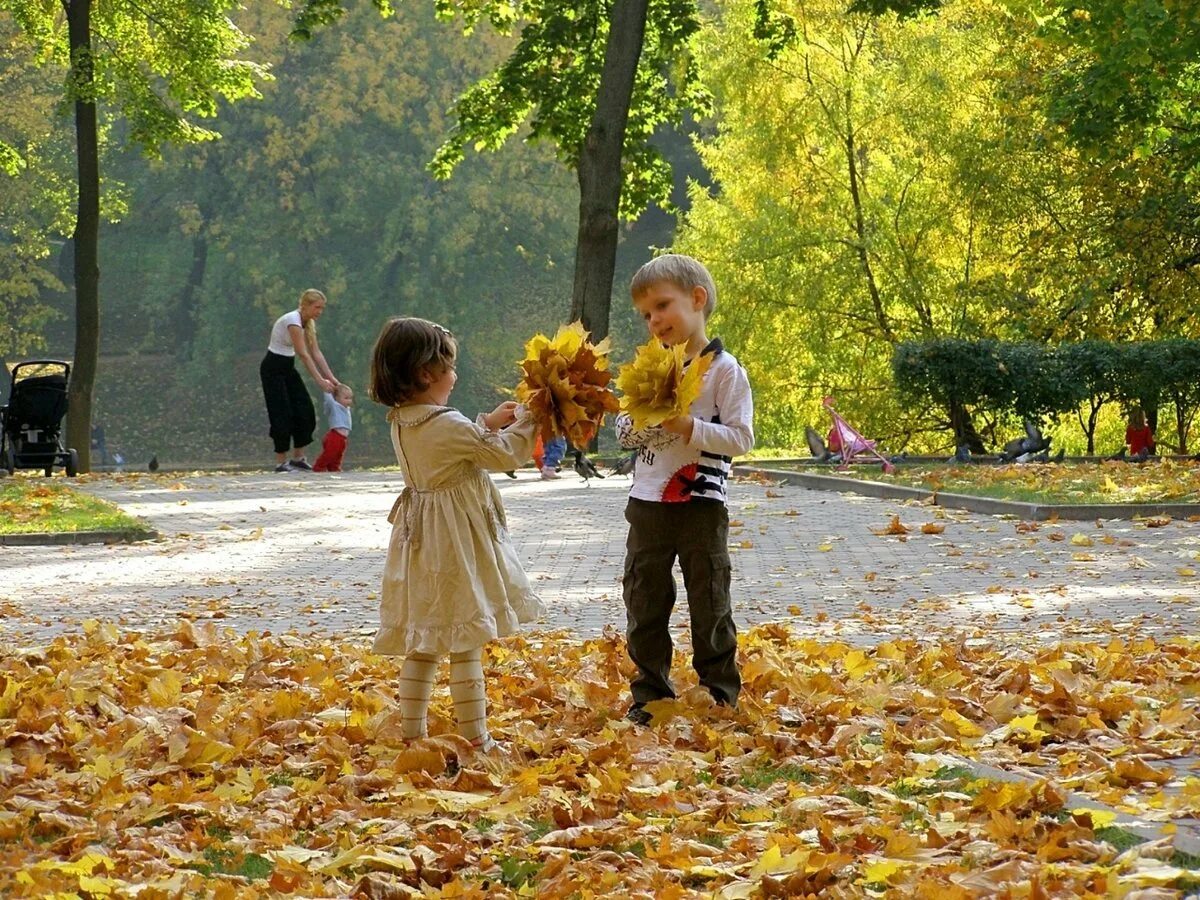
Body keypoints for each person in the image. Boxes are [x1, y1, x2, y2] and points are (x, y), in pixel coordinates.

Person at [368, 316, 545, 753]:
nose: (455, 374)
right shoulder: (448, 425)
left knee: (425, 642)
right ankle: (477, 739)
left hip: (422, 546)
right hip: (457, 548)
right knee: (466, 640)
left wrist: (486, 420)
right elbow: (502, 455)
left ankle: (413, 735)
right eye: (449, 366)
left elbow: (455, 443)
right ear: (427, 374)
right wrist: (529, 421)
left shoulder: (403, 420)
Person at [614, 254, 754, 726]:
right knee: (644, 599)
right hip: (647, 503)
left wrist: (688, 426)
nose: (654, 321)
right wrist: (645, 425)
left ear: (697, 300)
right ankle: (650, 694)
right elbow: (622, 429)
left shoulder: (724, 370)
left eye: (662, 306)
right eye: (646, 314)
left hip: (700, 504)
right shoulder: (649, 365)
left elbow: (741, 438)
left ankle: (719, 691)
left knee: (709, 598)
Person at [260, 288, 339, 473]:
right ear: (305, 306)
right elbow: (303, 355)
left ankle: (298, 458)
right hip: (272, 368)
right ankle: (281, 462)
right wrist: (320, 381)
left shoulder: (308, 323)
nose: (319, 312)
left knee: (305, 410)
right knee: (282, 413)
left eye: (322, 308)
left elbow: (316, 353)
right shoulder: (293, 321)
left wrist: (331, 378)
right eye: (317, 307)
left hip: (287, 367)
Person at [313, 383, 353, 472]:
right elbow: (329, 402)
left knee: (338, 454)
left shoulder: (346, 409)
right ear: (337, 398)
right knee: (330, 453)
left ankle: (334, 467)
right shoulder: (335, 406)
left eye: (350, 398)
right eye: (346, 398)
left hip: (343, 437)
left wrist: (339, 386)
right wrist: (327, 392)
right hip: (335, 435)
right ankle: (319, 467)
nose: (349, 401)